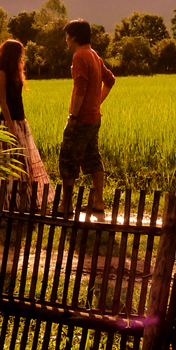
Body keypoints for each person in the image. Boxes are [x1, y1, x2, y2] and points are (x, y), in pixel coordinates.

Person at [56, 19, 115, 218]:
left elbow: (80, 87)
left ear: (73, 37)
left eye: (66, 36)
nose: (65, 40)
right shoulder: (94, 55)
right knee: (93, 157)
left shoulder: (80, 56)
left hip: (81, 119)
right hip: (94, 118)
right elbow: (110, 80)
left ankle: (66, 205)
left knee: (68, 159)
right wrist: (96, 102)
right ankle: (98, 201)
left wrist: (73, 115)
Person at [0, 39, 49, 211]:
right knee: (12, 163)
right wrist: (11, 127)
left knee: (25, 162)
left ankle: (26, 201)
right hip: (9, 122)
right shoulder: (2, 73)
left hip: (20, 120)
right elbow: (3, 102)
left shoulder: (16, 72)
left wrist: (21, 123)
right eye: (20, 54)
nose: (22, 57)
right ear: (12, 55)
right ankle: (11, 203)